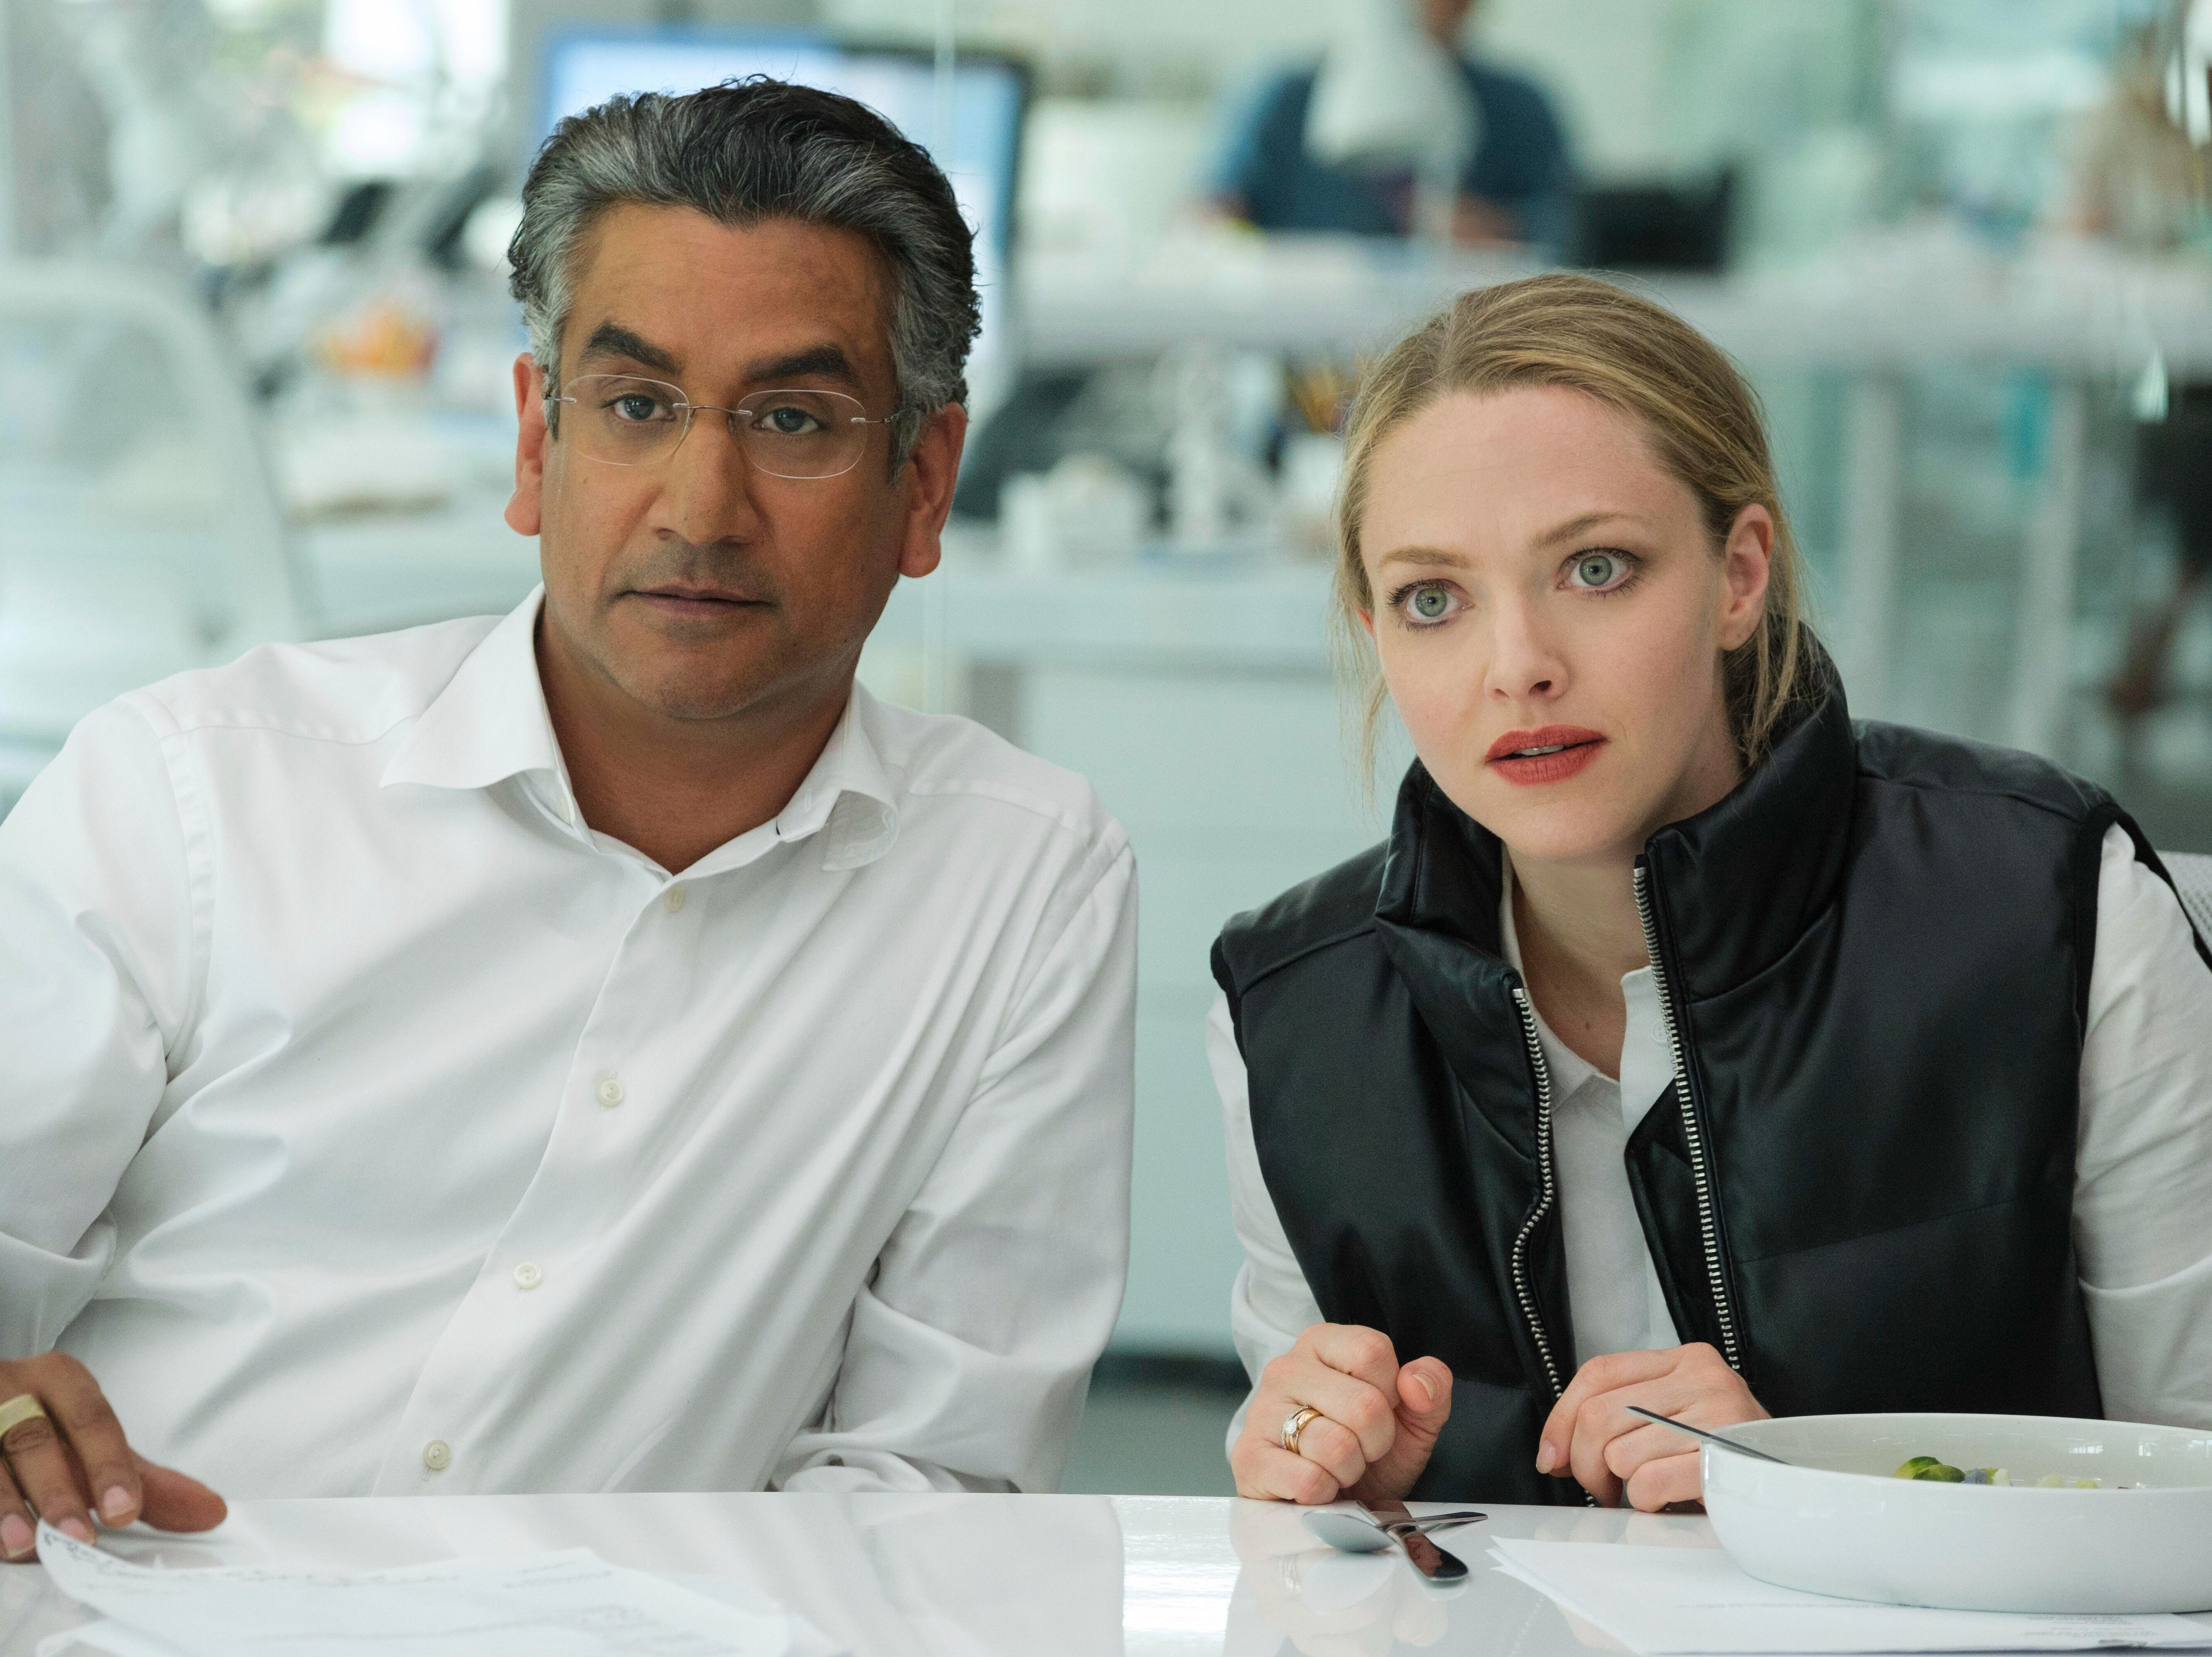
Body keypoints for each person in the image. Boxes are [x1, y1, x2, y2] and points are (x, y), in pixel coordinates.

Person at [0, 78, 1136, 1559]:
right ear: (539, 439)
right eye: (637, 404)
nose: (702, 502)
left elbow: (930, 1485)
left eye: (793, 417)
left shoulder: (1020, 878)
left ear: (921, 482)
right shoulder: (197, 785)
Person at [1208, 273, 2212, 1510]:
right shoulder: (1291, 1013)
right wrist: (1334, 1500)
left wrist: (1813, 1488)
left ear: (1739, 575)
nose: (1516, 666)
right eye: (1433, 600)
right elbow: (1344, 1547)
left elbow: (2195, 1500)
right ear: (1375, 630)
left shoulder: (2058, 916)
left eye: (1593, 569)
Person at [1209, 0, 1571, 248]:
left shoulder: (1519, 105)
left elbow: (1578, 224)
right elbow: (1215, 214)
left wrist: (1501, 228)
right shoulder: (1284, 98)